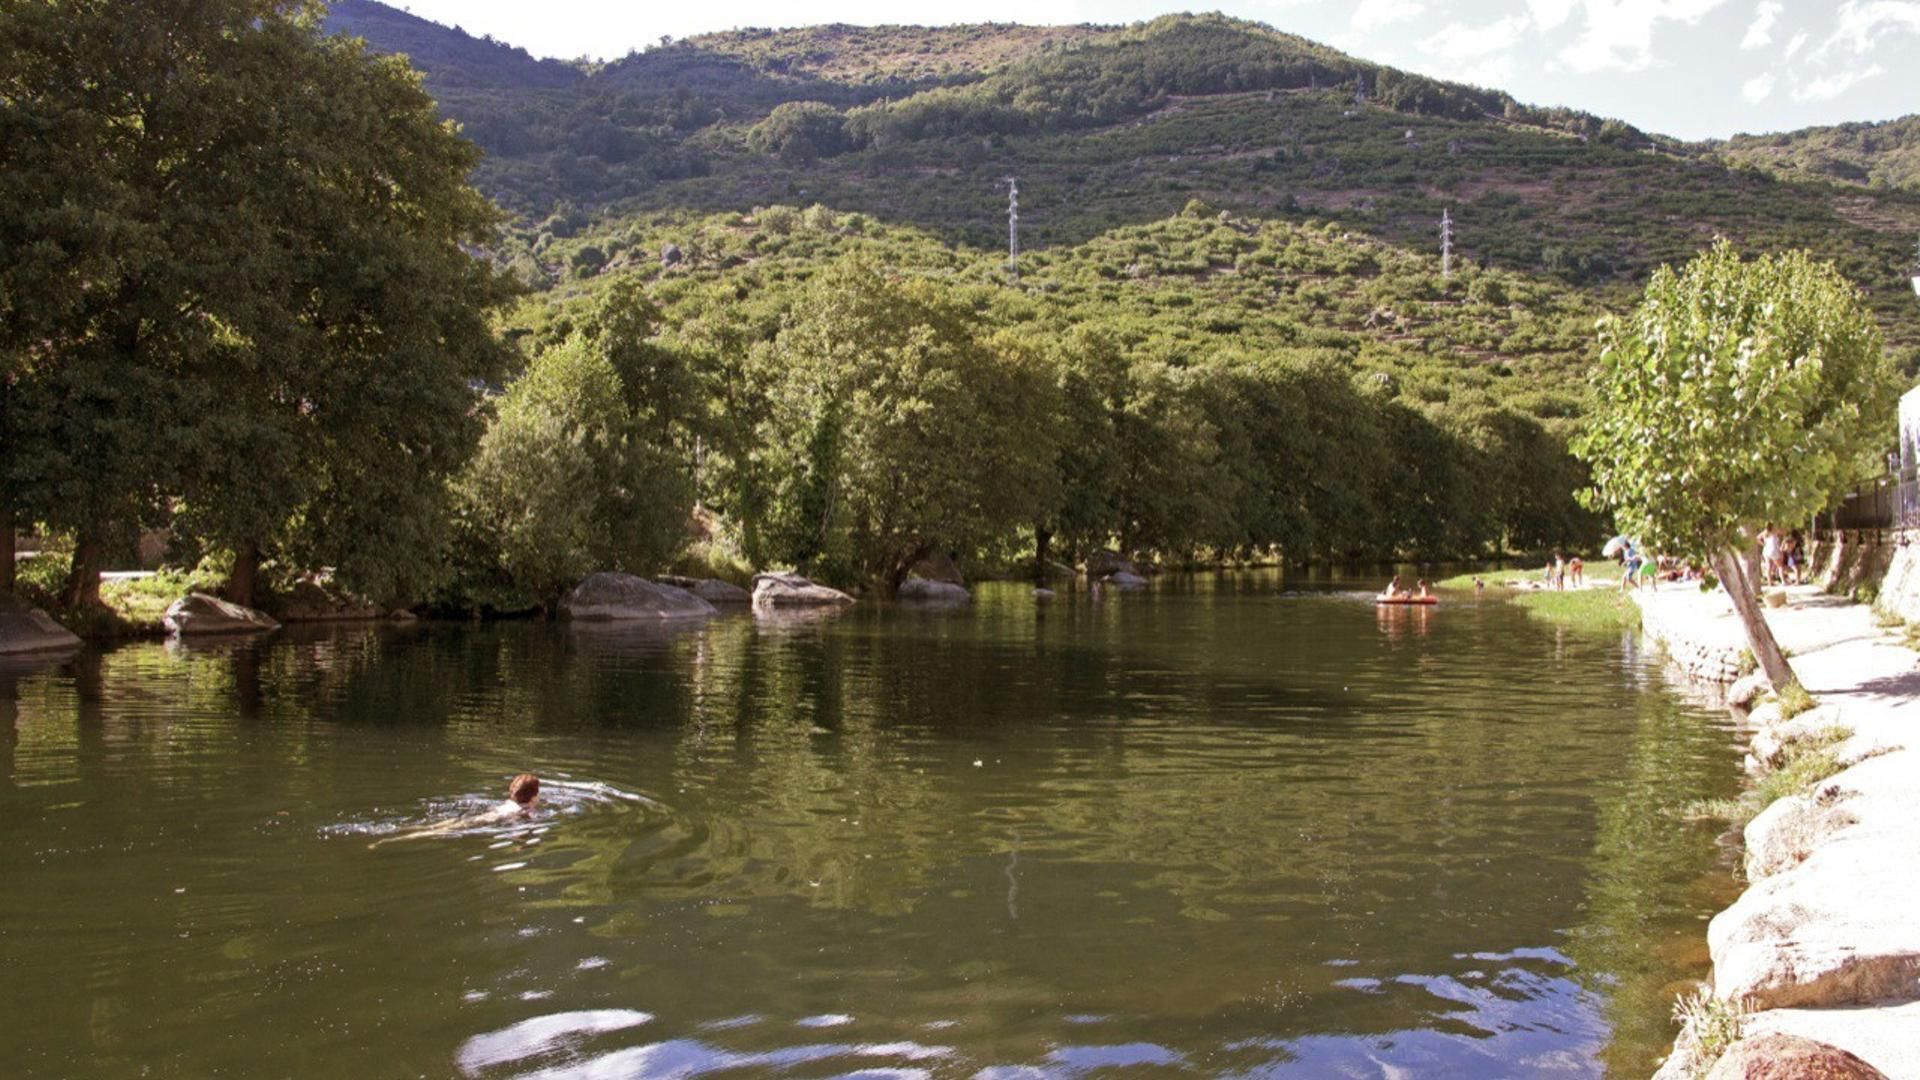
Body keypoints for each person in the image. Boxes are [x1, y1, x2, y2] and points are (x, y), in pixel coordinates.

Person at [370, 774, 542, 848]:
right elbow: (525, 827)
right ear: (533, 795)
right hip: (482, 822)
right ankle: (386, 840)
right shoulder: (526, 811)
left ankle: (395, 832)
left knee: (435, 826)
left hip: (481, 816)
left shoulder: (509, 803)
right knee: (432, 832)